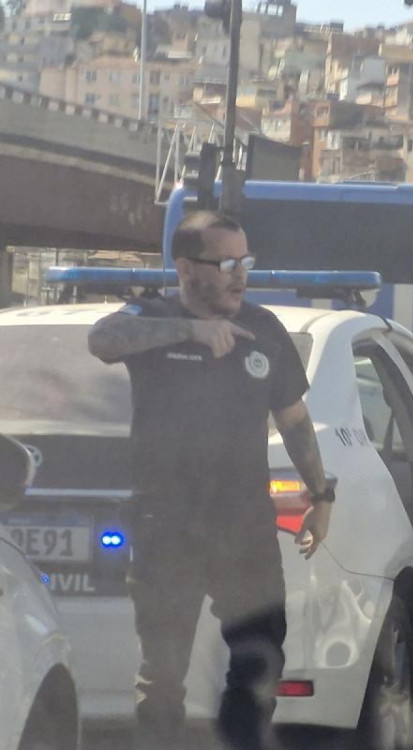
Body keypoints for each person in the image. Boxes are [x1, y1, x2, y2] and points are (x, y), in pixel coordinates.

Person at [88, 211, 334, 750]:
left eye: (244, 261)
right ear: (185, 268)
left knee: (259, 660)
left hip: (243, 527)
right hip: (165, 524)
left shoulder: (264, 329)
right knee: (162, 674)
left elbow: (294, 420)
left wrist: (321, 494)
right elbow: (102, 339)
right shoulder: (152, 317)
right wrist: (192, 330)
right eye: (225, 263)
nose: (239, 274)